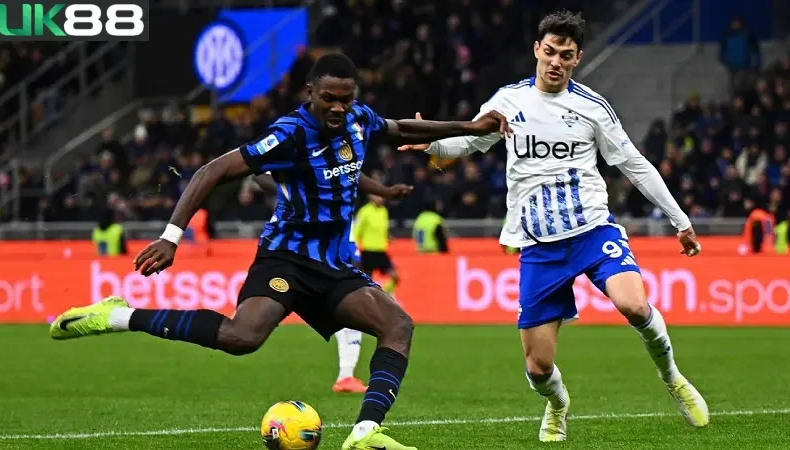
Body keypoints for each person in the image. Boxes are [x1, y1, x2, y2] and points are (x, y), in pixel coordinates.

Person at [49, 52, 508, 450]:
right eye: (328, 98)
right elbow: (213, 170)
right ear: (310, 93)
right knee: (242, 337)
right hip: (286, 257)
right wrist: (171, 236)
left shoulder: (359, 120)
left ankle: (365, 432)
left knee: (398, 324)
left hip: (333, 265)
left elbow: (396, 129)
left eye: (346, 98)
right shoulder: (289, 133)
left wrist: (468, 127)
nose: (338, 107)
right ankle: (118, 316)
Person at [399, 10, 709, 442]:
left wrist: (680, 221)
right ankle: (558, 404)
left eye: (566, 55)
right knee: (537, 367)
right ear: (536, 50)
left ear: (577, 57)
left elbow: (634, 165)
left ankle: (673, 377)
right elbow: (469, 142)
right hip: (539, 246)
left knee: (635, 306)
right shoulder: (509, 101)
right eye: (550, 52)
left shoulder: (592, 108)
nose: (555, 62)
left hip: (592, 230)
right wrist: (431, 142)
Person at [254, 172, 414, 394]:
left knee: (353, 320)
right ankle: (346, 375)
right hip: (328, 266)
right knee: (353, 319)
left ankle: (346, 376)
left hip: (333, 263)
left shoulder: (340, 206)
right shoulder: (342, 207)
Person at [353, 193, 398, 294]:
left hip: (381, 251)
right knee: (365, 282)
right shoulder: (364, 211)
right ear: (371, 197)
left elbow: (382, 229)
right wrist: (355, 249)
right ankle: (366, 299)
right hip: (368, 251)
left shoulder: (384, 211)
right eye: (378, 196)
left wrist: (387, 236)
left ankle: (385, 294)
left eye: (382, 196)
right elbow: (356, 231)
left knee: (395, 277)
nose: (380, 198)